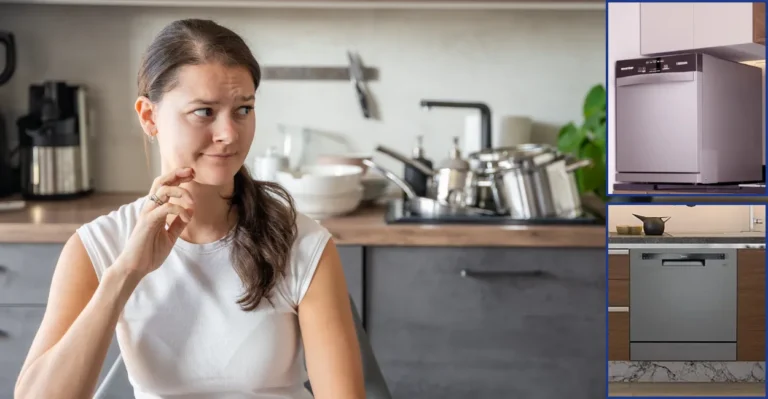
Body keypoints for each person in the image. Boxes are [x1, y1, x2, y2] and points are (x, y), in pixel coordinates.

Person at [14, 19, 365, 399]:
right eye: (204, 112)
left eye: (243, 109)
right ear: (149, 117)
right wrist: (127, 272)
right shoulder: (98, 246)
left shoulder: (303, 243)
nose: (229, 133)